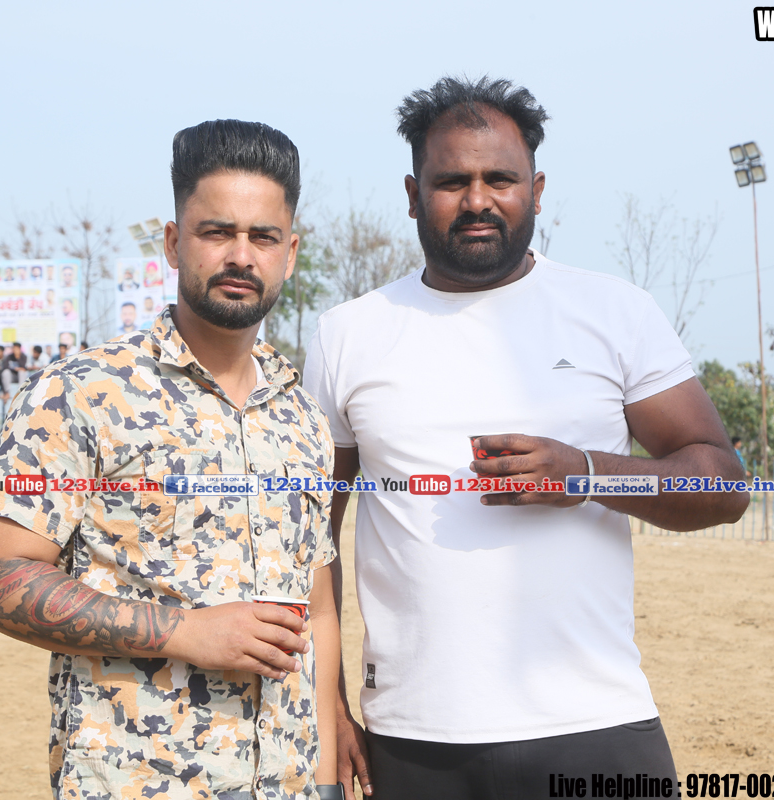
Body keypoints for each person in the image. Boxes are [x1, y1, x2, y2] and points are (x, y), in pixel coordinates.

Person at [304, 77, 748, 800]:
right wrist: (327, 701)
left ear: (537, 191)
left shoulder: (614, 312)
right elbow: (308, 534)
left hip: (596, 724)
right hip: (414, 739)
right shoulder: (348, 334)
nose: (477, 200)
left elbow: (722, 484)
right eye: (452, 182)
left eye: (500, 180)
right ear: (413, 195)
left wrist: (586, 474)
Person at [0, 118, 341, 800]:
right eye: (216, 232)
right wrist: (185, 631)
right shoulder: (82, 392)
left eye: (262, 237)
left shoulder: (304, 417)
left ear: (290, 253)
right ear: (173, 242)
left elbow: (318, 609)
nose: (241, 256)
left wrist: (328, 780)